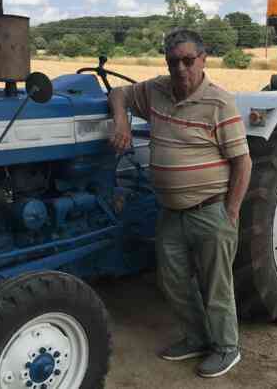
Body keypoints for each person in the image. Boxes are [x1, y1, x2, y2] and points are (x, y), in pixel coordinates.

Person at [108, 29, 252, 378]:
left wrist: (230, 212)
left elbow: (243, 163)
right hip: (171, 212)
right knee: (172, 281)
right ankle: (197, 337)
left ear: (203, 60)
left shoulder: (219, 103)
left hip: (210, 209)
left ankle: (226, 348)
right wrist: (121, 119)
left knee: (216, 285)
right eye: (174, 62)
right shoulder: (157, 90)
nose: (181, 68)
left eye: (189, 60)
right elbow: (117, 92)